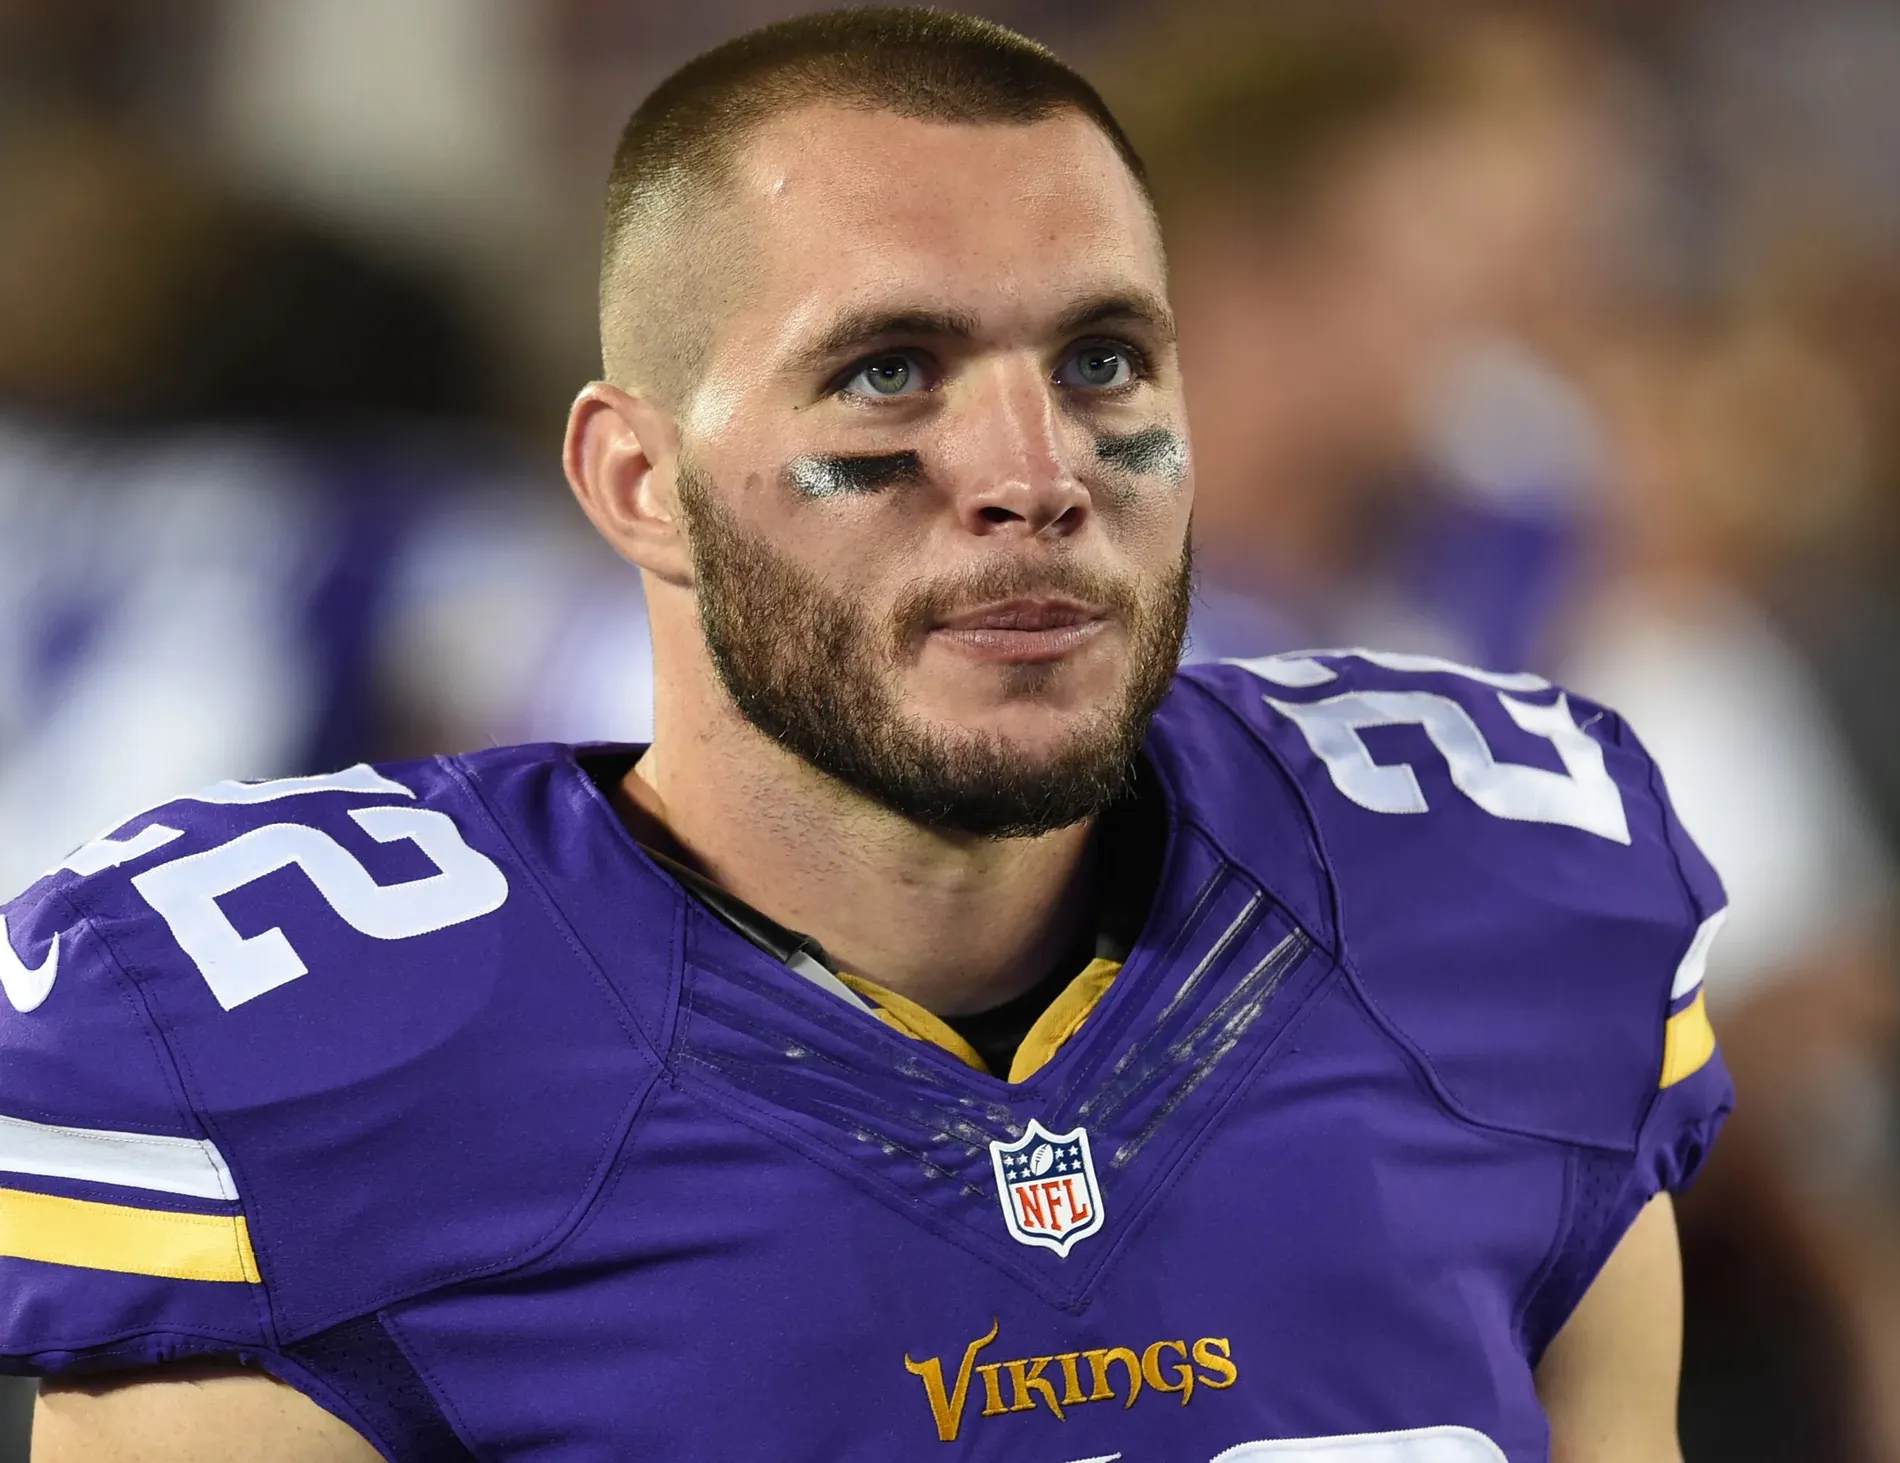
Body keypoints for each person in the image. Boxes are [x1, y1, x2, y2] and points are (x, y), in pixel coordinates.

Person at [9, 10, 1731, 1460]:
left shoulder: (1502, 901)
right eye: (890, 371)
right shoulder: (291, 1069)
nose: (1036, 474)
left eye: (1104, 361)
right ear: (640, 481)